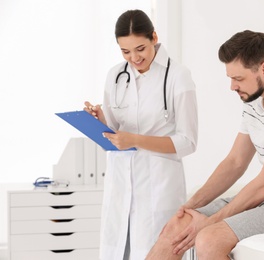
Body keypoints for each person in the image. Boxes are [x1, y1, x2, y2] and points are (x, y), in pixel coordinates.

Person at [146, 30, 264, 260]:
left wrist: (209, 223)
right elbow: (235, 162)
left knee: (209, 239)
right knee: (177, 226)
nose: (232, 87)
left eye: (238, 79)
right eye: (230, 78)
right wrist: (189, 207)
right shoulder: (255, 96)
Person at [84, 9, 198, 260]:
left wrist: (134, 140)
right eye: (125, 51)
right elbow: (115, 129)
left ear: (154, 37)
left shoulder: (178, 76)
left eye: (140, 49)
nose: (134, 57)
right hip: (120, 183)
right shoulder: (115, 75)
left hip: (158, 188)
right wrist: (100, 119)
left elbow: (188, 142)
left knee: (151, 252)